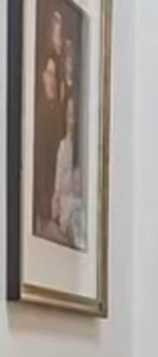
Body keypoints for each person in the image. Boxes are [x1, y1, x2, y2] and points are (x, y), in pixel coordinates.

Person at [51, 90, 83, 247]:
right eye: (69, 115)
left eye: (74, 116)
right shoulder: (63, 147)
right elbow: (58, 188)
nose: (71, 121)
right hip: (65, 214)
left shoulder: (83, 151)